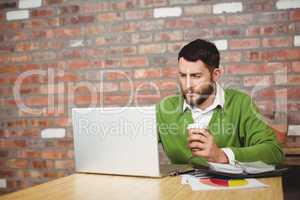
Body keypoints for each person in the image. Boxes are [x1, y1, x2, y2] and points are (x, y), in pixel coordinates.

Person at [156, 39, 284, 166]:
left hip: (232, 185)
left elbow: (273, 152)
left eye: (196, 76)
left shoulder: (241, 104)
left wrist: (222, 155)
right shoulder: (165, 108)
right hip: (179, 186)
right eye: (183, 76)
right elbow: (138, 146)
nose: (187, 85)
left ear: (215, 74)